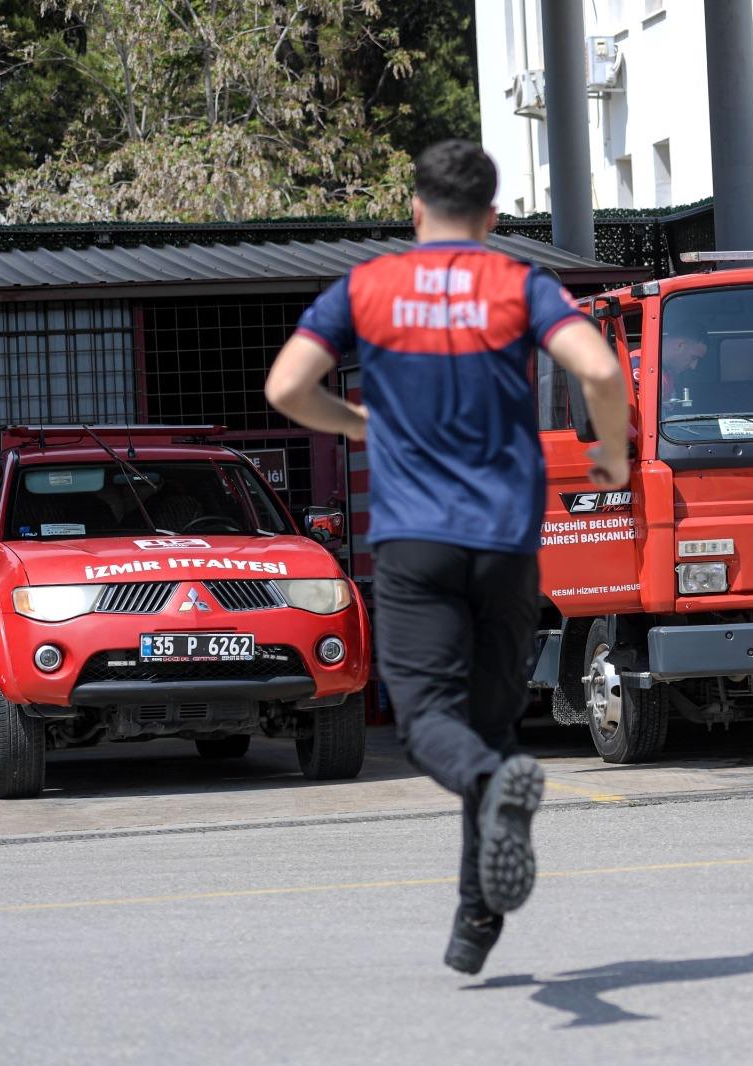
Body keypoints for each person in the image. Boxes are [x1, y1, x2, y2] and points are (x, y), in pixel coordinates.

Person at [264, 140, 629, 975]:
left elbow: (286, 388)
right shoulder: (520, 284)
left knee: (432, 723)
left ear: (416, 208)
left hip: (417, 542)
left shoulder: (368, 287)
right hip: (505, 544)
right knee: (493, 728)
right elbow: (601, 367)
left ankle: (487, 841)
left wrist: (360, 424)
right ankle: (476, 921)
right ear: (494, 218)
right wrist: (611, 452)